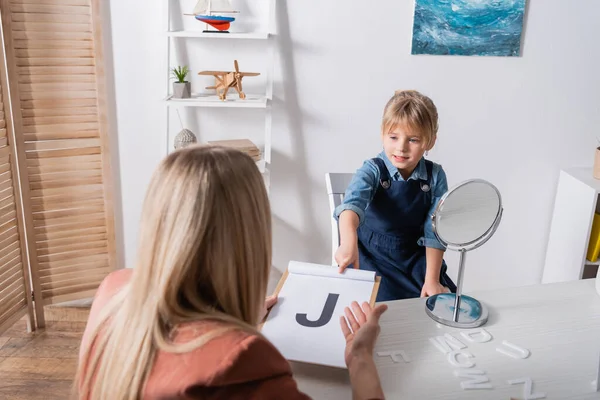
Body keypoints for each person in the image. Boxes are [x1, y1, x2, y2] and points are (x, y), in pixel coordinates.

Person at [74, 145, 387, 400]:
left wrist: (235, 317)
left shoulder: (112, 290)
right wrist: (360, 358)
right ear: (249, 239)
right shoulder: (242, 360)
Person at [334, 90, 457, 302]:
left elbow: (434, 230)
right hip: (374, 258)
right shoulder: (371, 170)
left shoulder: (435, 176)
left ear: (430, 142)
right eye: (393, 137)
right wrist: (347, 242)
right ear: (382, 134)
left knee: (445, 301)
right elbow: (351, 208)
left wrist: (432, 279)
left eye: (413, 139)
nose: (401, 147)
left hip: (416, 258)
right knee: (387, 309)